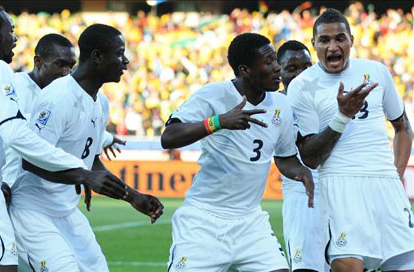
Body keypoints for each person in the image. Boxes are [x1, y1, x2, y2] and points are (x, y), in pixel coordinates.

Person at [0, 4, 129, 272]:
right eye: (9, 31)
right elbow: (15, 133)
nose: (15, 38)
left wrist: (101, 139)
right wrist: (81, 172)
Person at [8, 24, 164, 272]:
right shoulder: (57, 97)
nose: (125, 61)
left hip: (67, 209)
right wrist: (85, 177)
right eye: (119, 53)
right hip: (33, 210)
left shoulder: (101, 103)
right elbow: (30, 160)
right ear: (97, 56)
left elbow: (90, 160)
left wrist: (132, 195)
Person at [161, 32, 314, 272]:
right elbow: (169, 137)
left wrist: (303, 173)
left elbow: (285, 158)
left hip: (251, 222)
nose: (277, 68)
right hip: (204, 220)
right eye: (269, 62)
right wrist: (218, 122)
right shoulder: (213, 94)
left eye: (276, 60)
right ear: (245, 70)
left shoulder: (281, 105)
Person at [287, 8, 414, 272]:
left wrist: (396, 174)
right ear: (314, 45)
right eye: (324, 40)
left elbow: (403, 127)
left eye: (340, 38)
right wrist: (342, 116)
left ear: (351, 40)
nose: (333, 46)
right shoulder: (303, 85)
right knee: (348, 266)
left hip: (385, 184)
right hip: (340, 184)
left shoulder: (376, 71)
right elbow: (310, 156)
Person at [2, 33, 125, 189]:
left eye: (71, 66)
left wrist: (105, 138)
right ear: (38, 62)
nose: (66, 72)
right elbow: (13, 131)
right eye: (60, 65)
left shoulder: (68, 95)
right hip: (8, 185)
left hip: (43, 189)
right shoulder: (13, 87)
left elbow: (73, 132)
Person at [277, 40, 328, 272]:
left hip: (338, 188)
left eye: (307, 67)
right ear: (278, 72)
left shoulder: (329, 97)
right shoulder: (275, 105)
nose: (301, 74)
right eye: (291, 68)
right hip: (302, 196)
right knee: (306, 267)